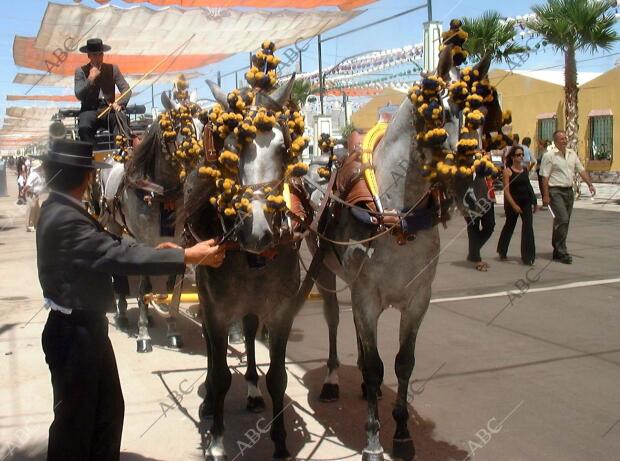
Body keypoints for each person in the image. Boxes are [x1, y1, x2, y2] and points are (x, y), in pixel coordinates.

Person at [35, 139, 225, 461]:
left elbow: (109, 242)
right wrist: (189, 257)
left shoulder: (59, 208)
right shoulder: (65, 219)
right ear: (85, 178)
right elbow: (116, 256)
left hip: (85, 330)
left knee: (107, 413)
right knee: (75, 427)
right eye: (91, 173)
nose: (94, 179)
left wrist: (165, 250)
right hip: (75, 337)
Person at [540, 130, 596, 264]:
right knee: (562, 219)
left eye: (565, 138)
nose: (565, 140)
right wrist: (546, 196)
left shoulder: (572, 154)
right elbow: (545, 177)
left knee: (563, 222)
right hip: (555, 191)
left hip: (568, 191)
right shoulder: (549, 156)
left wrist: (590, 184)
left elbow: (581, 170)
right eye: (562, 139)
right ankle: (562, 251)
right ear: (555, 141)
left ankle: (557, 250)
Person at [74, 38, 130, 145]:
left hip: (109, 108)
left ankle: (120, 154)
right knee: (84, 128)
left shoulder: (113, 68)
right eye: (94, 55)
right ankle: (91, 156)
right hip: (89, 111)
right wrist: (90, 79)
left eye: (100, 54)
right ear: (89, 56)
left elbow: (126, 90)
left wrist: (120, 103)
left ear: (103, 54)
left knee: (122, 121)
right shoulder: (80, 71)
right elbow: (78, 94)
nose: (97, 58)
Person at [497, 146, 537, 265]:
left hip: (526, 202)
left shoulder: (525, 169)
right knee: (510, 226)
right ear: (513, 157)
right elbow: (506, 191)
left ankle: (528, 256)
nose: (521, 157)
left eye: (522, 155)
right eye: (518, 155)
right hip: (513, 202)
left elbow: (528, 186)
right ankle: (502, 250)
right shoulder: (507, 171)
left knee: (528, 228)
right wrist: (513, 205)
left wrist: (534, 201)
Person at [465, 172, 496, 271]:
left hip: (487, 198)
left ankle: (473, 252)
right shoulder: (465, 161)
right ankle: (477, 259)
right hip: (471, 200)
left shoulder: (485, 159)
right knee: (474, 228)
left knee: (490, 225)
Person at [24, 160, 45, 231]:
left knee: (36, 210)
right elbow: (27, 185)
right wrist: (23, 192)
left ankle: (35, 224)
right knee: (31, 210)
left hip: (36, 195)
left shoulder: (39, 174)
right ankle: (29, 226)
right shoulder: (33, 175)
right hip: (31, 195)